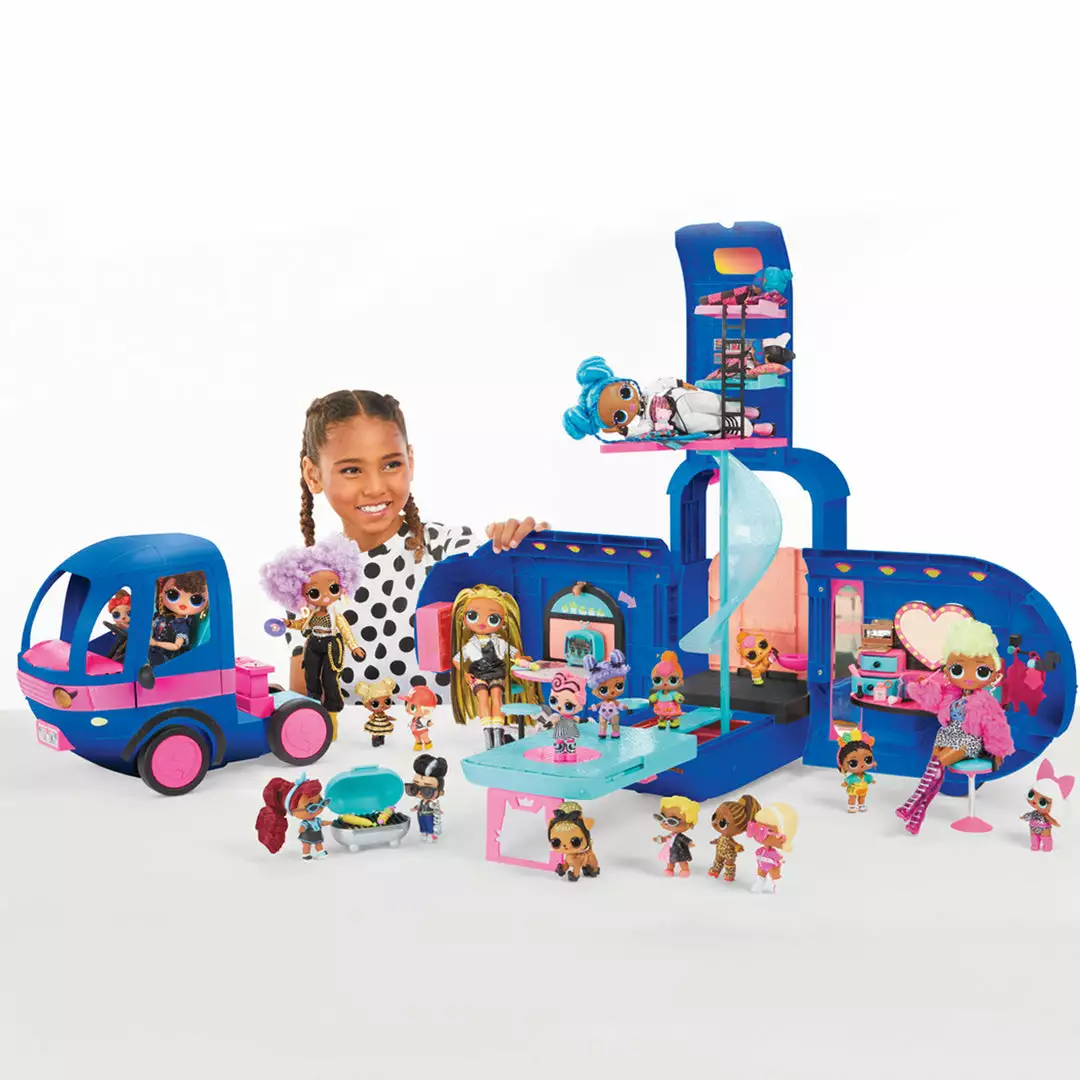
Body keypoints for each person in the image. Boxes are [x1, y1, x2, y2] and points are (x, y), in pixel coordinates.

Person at [285, 389, 549, 705]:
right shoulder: (307, 582)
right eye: (352, 470)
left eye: (391, 464)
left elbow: (524, 643)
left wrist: (533, 558)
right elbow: (304, 711)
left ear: (410, 462)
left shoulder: (453, 552)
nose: (375, 487)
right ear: (313, 474)